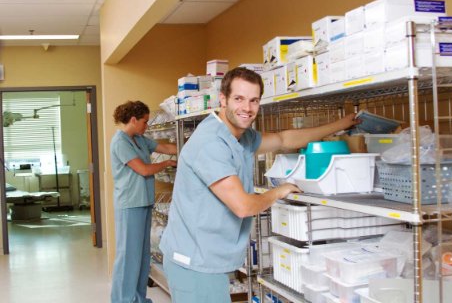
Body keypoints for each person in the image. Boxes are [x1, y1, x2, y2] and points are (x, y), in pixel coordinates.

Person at [160, 68, 360, 302]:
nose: (247, 108)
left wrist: (340, 124)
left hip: (207, 257)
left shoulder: (240, 135)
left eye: (254, 100)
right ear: (222, 99)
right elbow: (243, 206)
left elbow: (285, 140)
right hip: (194, 263)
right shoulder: (211, 143)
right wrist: (279, 191)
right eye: (239, 99)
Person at [110, 100, 177, 303]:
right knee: (128, 256)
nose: (147, 126)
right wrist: (167, 164)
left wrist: (190, 144)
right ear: (133, 120)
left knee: (141, 255)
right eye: (145, 121)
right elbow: (144, 170)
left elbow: (165, 147)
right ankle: (123, 299)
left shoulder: (139, 139)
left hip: (144, 202)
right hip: (130, 204)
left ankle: (137, 298)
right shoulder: (120, 142)